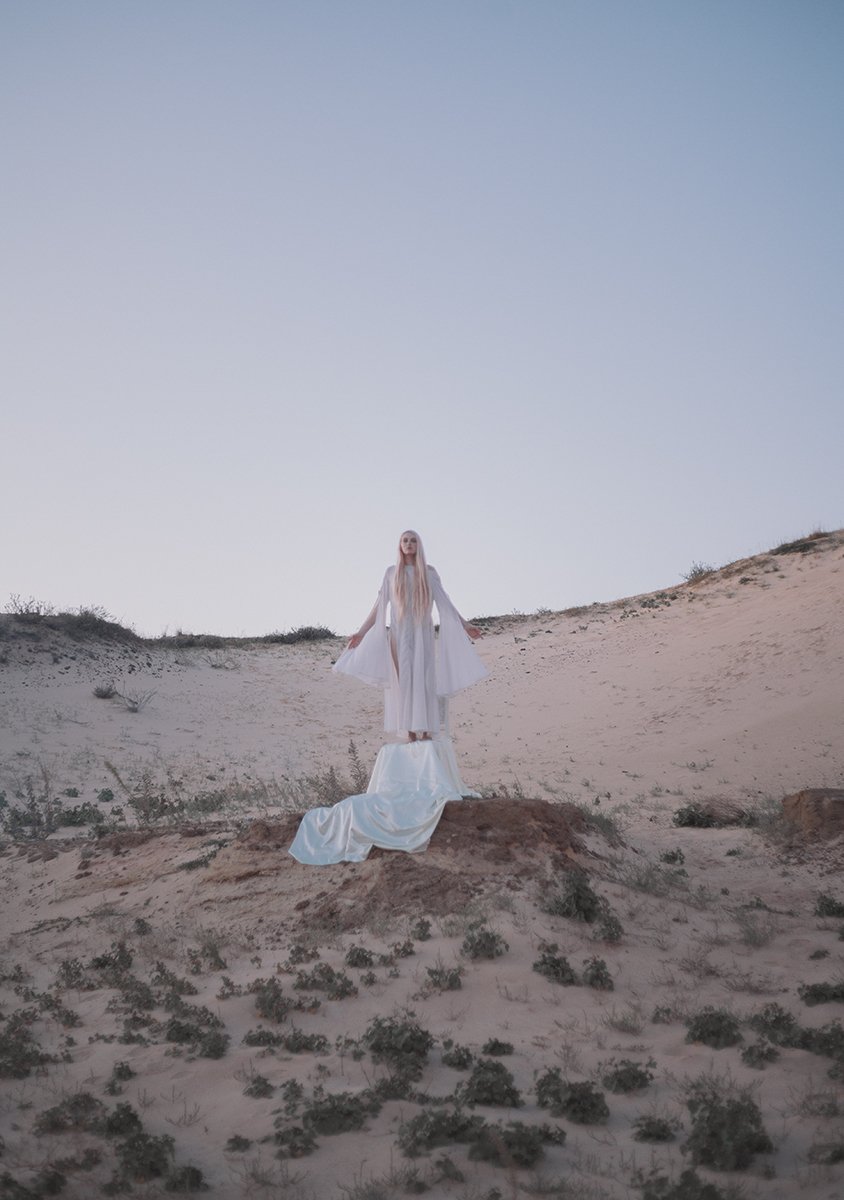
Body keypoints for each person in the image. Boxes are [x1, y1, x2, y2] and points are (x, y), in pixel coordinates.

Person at [333, 530, 487, 740]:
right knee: (404, 681)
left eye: (413, 540)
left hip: (422, 635)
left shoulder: (429, 573)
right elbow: (378, 608)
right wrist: (360, 633)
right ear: (399, 545)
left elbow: (446, 604)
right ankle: (410, 732)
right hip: (399, 636)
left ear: (419, 545)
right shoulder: (391, 573)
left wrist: (466, 625)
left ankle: (426, 731)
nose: (409, 544)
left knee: (424, 680)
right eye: (405, 540)